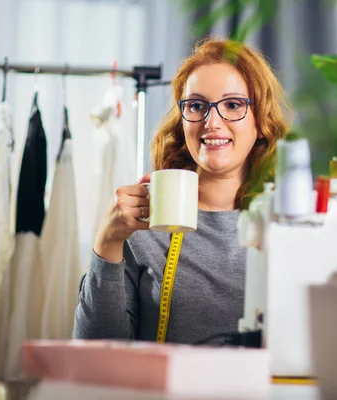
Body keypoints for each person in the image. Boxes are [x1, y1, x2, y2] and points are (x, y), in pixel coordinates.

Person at [73, 37, 291, 344]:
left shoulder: (290, 225)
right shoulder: (145, 225)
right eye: (197, 105)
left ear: (261, 120)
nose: (211, 122)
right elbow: (94, 354)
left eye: (232, 105)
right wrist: (107, 243)